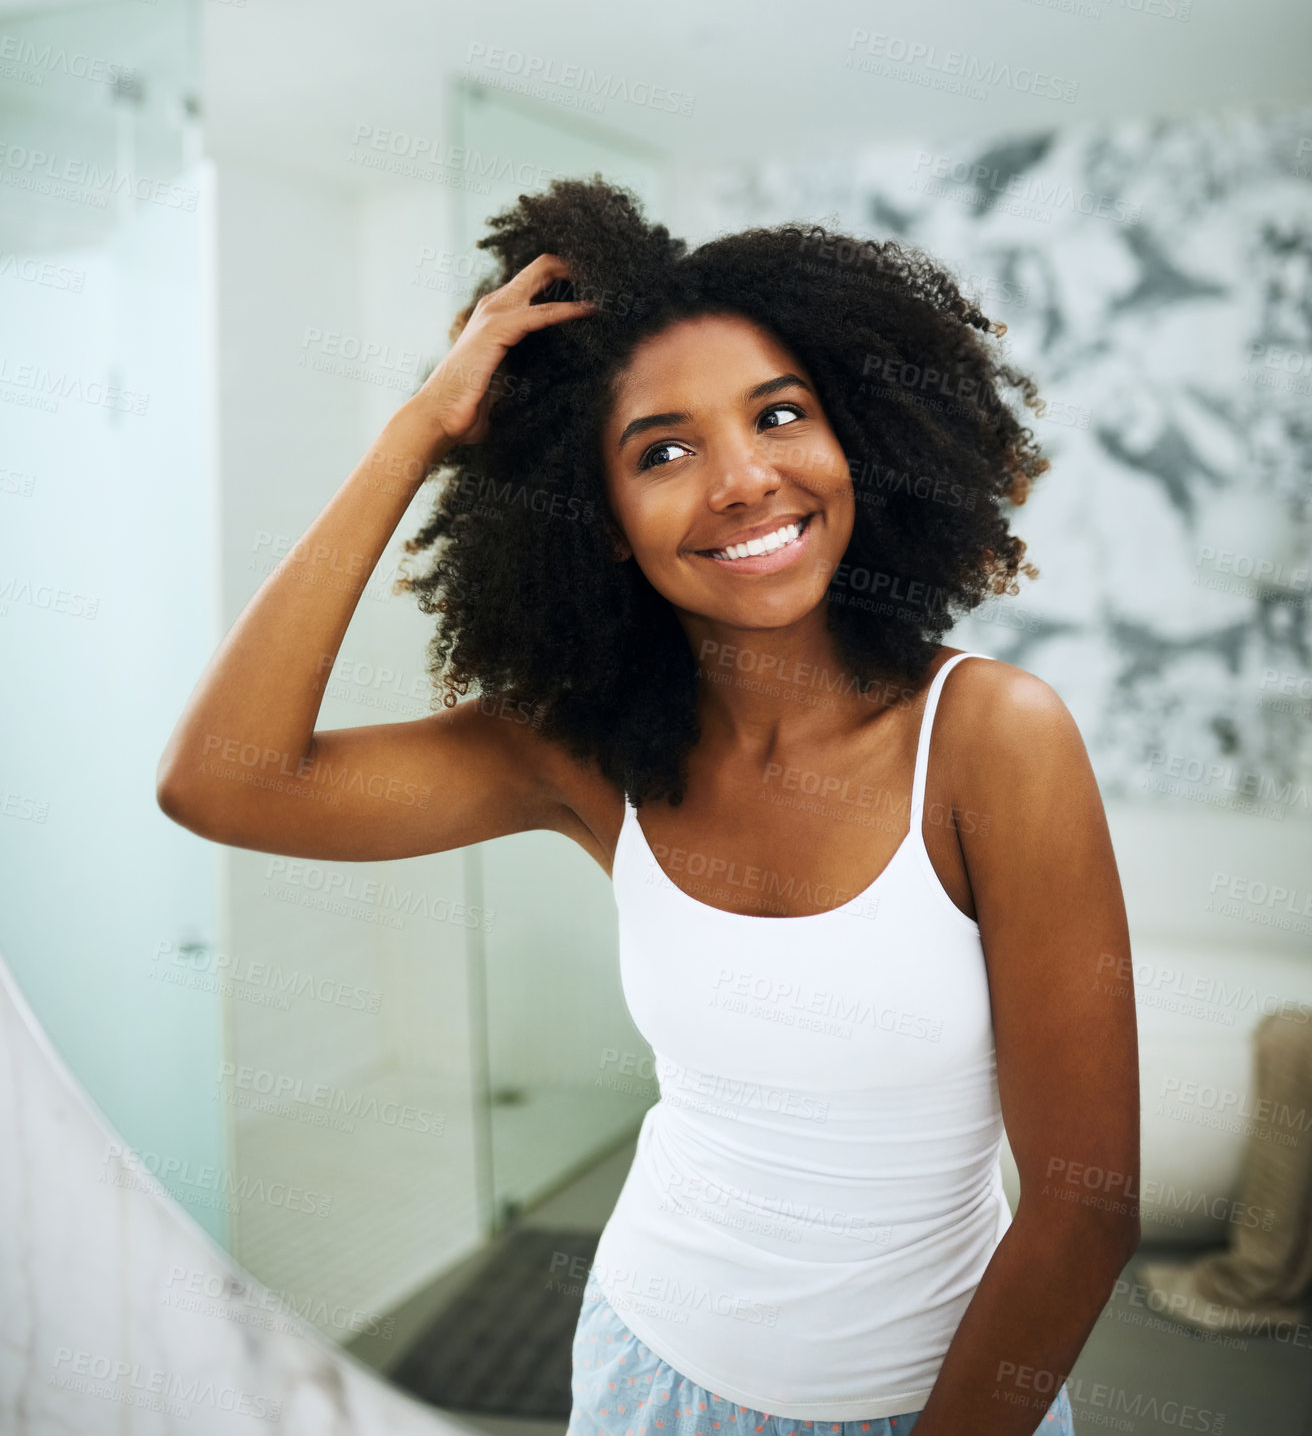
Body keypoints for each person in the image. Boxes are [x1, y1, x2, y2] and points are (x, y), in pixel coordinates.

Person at [157, 176, 1141, 1435]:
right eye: (661, 451)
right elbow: (222, 778)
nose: (740, 479)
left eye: (779, 416)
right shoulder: (581, 754)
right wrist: (417, 430)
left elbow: (1085, 1200)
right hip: (647, 1371)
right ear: (605, 523)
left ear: (857, 443)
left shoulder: (992, 738)